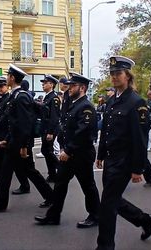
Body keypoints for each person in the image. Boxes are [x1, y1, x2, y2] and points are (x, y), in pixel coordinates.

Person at [95, 56, 151, 250]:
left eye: (118, 73)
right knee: (113, 200)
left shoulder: (137, 102)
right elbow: (106, 130)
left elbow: (140, 138)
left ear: (128, 76)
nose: (114, 77)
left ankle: (105, 246)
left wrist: (138, 168)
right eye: (112, 73)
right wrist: (101, 154)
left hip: (124, 161)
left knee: (107, 205)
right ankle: (144, 219)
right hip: (111, 158)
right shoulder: (113, 100)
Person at [0, 64, 53, 213]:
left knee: (18, 172)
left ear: (12, 78)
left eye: (8, 76)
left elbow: (24, 124)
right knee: (20, 172)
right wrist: (6, 139)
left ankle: (1, 204)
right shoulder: (16, 95)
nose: (6, 78)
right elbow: (12, 123)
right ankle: (51, 197)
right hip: (13, 141)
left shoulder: (20, 97)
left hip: (19, 144)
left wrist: (24, 147)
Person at [34, 72, 100, 228]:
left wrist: (68, 150)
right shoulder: (74, 104)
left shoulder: (86, 107)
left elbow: (82, 133)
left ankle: (95, 216)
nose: (69, 88)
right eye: (69, 85)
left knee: (88, 186)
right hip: (69, 153)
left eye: (73, 85)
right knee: (60, 184)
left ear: (82, 88)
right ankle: (53, 215)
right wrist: (63, 146)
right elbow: (66, 127)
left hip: (81, 154)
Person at [37, 75, 61, 183]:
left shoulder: (54, 98)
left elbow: (54, 116)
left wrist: (51, 132)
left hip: (50, 129)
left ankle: (60, 168)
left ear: (51, 84)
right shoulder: (47, 97)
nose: (43, 84)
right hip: (45, 128)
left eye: (45, 83)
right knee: (46, 151)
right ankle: (52, 175)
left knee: (47, 151)